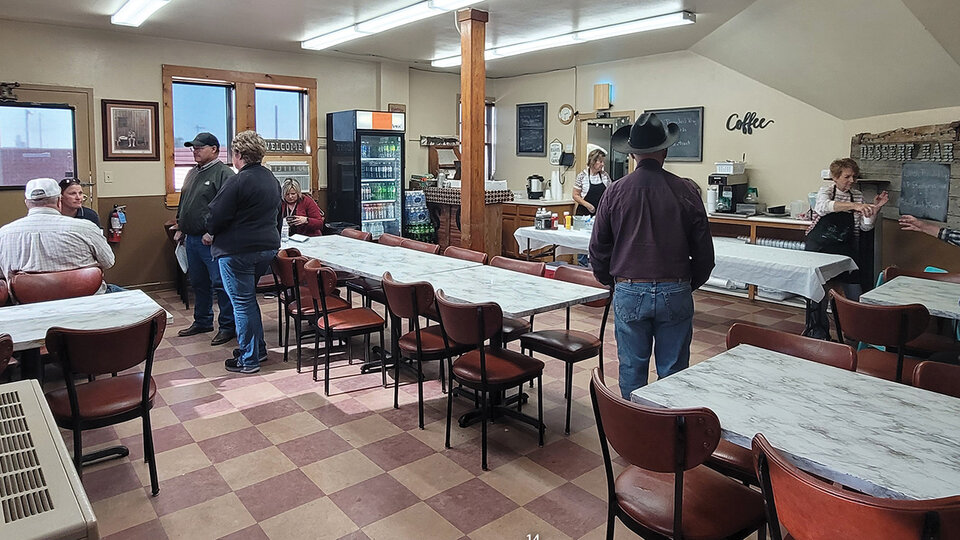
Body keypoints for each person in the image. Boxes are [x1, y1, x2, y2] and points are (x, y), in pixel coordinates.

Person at [589, 113, 715, 399]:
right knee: (673, 372)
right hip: (676, 286)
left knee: (632, 368)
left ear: (632, 153)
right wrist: (685, 284)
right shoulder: (686, 190)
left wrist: (615, 283)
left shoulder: (614, 192)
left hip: (629, 286)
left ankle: (636, 436)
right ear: (665, 150)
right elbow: (705, 253)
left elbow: (597, 249)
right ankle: (669, 434)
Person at [207, 131, 282, 374]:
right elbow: (277, 216)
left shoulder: (238, 180)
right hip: (267, 248)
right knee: (248, 300)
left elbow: (217, 215)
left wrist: (210, 231)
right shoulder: (271, 179)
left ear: (239, 155)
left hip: (237, 250)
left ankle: (249, 359)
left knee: (241, 303)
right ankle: (257, 349)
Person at [803, 158, 888, 339]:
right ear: (835, 177)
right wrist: (854, 206)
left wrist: (874, 211)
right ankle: (818, 331)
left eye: (853, 177)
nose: (851, 180)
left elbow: (865, 227)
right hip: (819, 249)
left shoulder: (856, 196)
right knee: (819, 291)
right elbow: (823, 207)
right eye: (847, 176)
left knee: (854, 290)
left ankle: (857, 332)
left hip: (844, 250)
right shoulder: (825, 191)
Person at [0, 178, 116, 296]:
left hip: (27, 307)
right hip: (88, 302)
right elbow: (109, 261)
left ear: (27, 203)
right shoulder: (86, 228)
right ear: (59, 201)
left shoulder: (4, 234)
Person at [175, 132, 237, 346]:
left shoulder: (224, 174)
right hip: (191, 239)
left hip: (212, 240)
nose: (195, 151)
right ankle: (202, 321)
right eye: (193, 148)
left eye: (200, 147)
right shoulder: (192, 173)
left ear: (214, 149)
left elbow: (228, 209)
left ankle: (228, 326)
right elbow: (184, 202)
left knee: (220, 284)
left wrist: (213, 232)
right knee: (199, 283)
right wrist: (180, 226)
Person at [573, 148, 612, 266]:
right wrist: (587, 205)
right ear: (593, 162)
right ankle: (582, 265)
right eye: (600, 161)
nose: (602, 164)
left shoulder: (605, 176)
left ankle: (597, 265)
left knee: (598, 240)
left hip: (600, 214)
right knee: (582, 241)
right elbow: (575, 195)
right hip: (583, 213)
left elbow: (610, 193)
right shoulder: (582, 176)